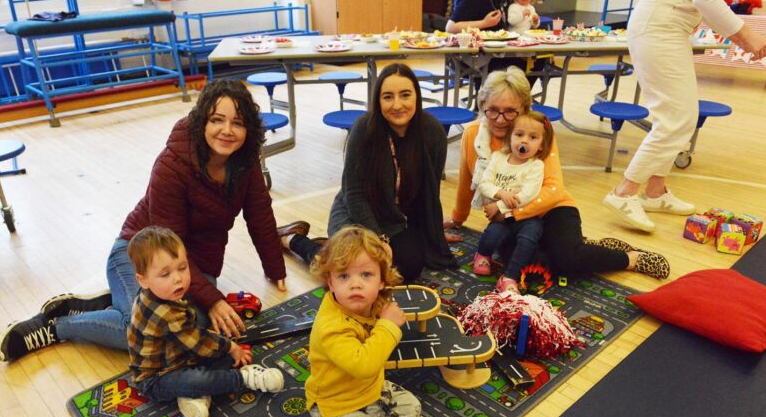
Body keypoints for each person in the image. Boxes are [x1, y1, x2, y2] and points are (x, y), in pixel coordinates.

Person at [0, 79, 288, 362]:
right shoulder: (171, 166)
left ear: (248, 128)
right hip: (142, 255)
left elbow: (260, 215)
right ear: (202, 122)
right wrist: (212, 299)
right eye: (217, 120)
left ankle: (101, 304)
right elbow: (166, 245)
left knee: (195, 326)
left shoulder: (245, 161)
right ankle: (58, 325)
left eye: (237, 123)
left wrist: (275, 270)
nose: (227, 130)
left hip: (190, 267)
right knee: (143, 332)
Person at [444, 66, 671, 280]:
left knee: (567, 260)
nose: (500, 120)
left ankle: (629, 258)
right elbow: (469, 179)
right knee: (524, 267)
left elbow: (553, 190)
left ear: (524, 109)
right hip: (508, 217)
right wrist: (457, 217)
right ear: (483, 105)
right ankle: (579, 245)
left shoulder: (537, 131)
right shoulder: (474, 134)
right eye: (493, 110)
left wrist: (509, 212)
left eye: (510, 112)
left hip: (550, 209)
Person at [603, 0, 766, 233]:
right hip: (659, 28)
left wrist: (740, 37)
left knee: (682, 116)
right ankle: (624, 192)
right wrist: (746, 35)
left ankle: (655, 191)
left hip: (664, 27)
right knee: (676, 119)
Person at [280, 63, 455, 281]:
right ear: (377, 100)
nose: (397, 104)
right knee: (351, 268)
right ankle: (293, 240)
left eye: (405, 95)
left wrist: (432, 234)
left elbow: (429, 192)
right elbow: (353, 194)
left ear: (417, 98)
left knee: (408, 267)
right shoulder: (364, 129)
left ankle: (331, 245)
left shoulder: (432, 132)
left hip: (395, 218)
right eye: (388, 97)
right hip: (356, 212)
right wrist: (378, 239)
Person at [271, 226, 421, 417]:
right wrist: (388, 326)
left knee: (411, 411)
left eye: (366, 275)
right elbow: (363, 366)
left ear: (381, 281)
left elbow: (383, 283)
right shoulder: (332, 325)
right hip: (335, 403)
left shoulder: (371, 301)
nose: (355, 285)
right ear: (329, 282)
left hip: (368, 389)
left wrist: (383, 259)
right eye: (343, 276)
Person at [126, 226, 284, 417]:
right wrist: (231, 347)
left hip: (179, 358)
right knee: (203, 373)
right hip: (156, 380)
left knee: (215, 353)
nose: (177, 278)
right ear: (143, 280)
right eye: (165, 274)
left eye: (182, 268)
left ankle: (195, 397)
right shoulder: (165, 312)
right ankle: (243, 378)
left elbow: (195, 337)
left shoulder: (158, 294)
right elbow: (199, 341)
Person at [472, 110, 552, 293]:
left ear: (541, 145)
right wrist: (501, 193)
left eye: (533, 137)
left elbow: (528, 194)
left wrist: (499, 205)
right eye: (519, 135)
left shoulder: (536, 165)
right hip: (502, 218)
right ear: (510, 138)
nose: (524, 141)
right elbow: (484, 183)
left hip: (527, 217)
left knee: (530, 237)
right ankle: (483, 254)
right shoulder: (498, 158)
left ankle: (510, 277)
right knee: (492, 234)